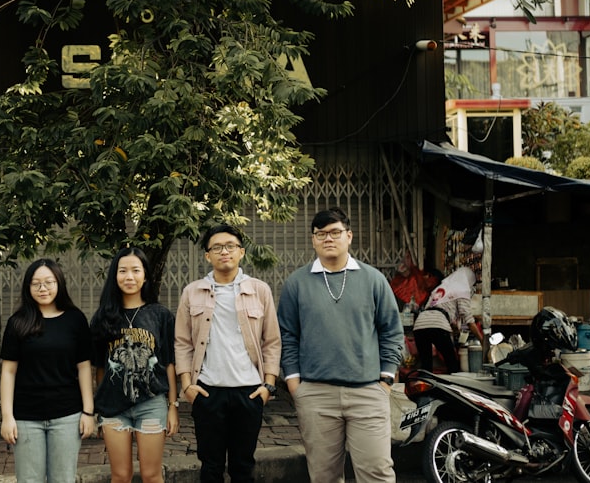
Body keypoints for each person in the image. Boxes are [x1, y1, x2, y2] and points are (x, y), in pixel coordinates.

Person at [277, 207, 404, 483]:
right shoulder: (296, 283)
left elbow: (391, 330)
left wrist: (386, 378)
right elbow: (287, 335)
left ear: (349, 236)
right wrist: (294, 382)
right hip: (316, 394)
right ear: (313, 240)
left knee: (377, 472)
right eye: (321, 234)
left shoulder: (373, 280)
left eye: (335, 232)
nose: (328, 239)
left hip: (368, 392)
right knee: (324, 475)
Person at [175, 224, 281, 483]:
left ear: (241, 252)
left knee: (243, 466)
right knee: (210, 467)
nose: (225, 251)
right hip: (208, 391)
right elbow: (182, 342)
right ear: (207, 255)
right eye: (217, 247)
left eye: (231, 246)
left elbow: (272, 341)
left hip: (249, 391)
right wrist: (187, 385)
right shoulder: (192, 291)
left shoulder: (259, 290)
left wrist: (268, 385)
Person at [0, 259, 96, 483]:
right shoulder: (18, 322)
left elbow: (83, 368)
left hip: (67, 415)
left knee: (63, 479)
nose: (43, 288)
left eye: (48, 282)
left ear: (59, 283)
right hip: (25, 418)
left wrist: (89, 412)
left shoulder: (75, 319)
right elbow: (8, 372)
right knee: (28, 479)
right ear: (28, 287)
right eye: (36, 284)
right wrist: (7, 417)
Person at [90, 247, 179, 483]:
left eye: (135, 270)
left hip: (151, 404)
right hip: (113, 408)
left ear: (145, 276)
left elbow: (169, 363)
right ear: (115, 276)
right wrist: (100, 408)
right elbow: (100, 367)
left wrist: (172, 406)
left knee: (151, 475)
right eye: (123, 271)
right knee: (120, 475)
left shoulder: (160, 315)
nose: (129, 277)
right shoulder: (103, 317)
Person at [412, 266, 482, 372]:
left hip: (419, 325)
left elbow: (433, 308)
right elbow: (468, 319)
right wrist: (482, 340)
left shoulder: (441, 288)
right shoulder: (462, 289)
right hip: (437, 324)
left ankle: (425, 386)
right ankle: (453, 388)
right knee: (452, 364)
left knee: (426, 366)